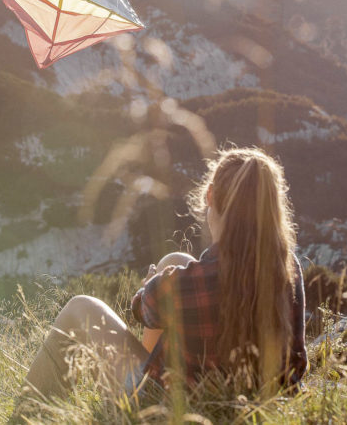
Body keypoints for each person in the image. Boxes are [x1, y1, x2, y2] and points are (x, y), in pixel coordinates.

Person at [17, 147, 306, 408]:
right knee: (175, 260)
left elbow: (141, 311)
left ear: (209, 196)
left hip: (177, 409)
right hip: (257, 404)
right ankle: (135, 384)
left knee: (80, 308)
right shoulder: (286, 266)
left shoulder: (194, 282)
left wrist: (152, 287)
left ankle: (25, 414)